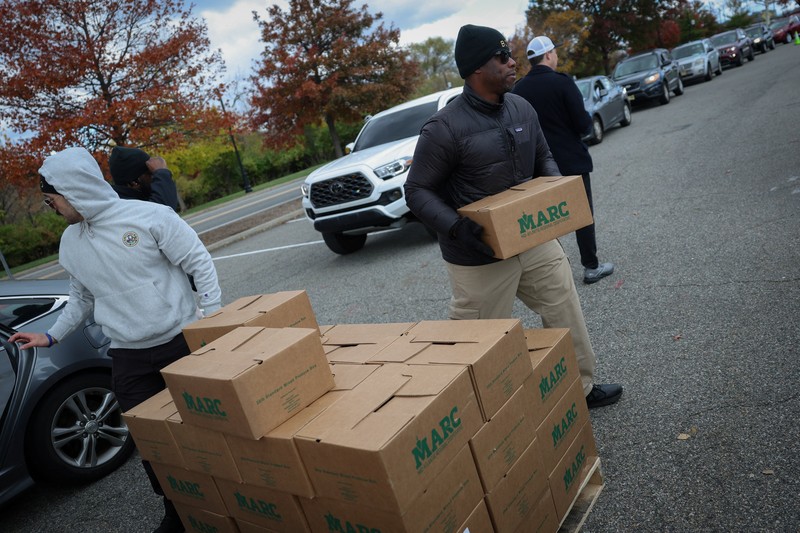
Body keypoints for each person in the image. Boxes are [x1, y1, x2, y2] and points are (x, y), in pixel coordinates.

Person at [403, 24, 622, 409]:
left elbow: (543, 156)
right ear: (476, 71)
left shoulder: (522, 106)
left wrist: (551, 193)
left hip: (531, 237)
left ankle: (581, 388)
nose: (512, 61)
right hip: (477, 255)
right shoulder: (444, 128)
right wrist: (456, 227)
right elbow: (416, 190)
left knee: (563, 304)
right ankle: (479, 416)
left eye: (510, 54)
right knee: (479, 341)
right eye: (501, 57)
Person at [10, 147, 222, 533]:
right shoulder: (70, 243)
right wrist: (51, 335)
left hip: (181, 342)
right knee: (153, 444)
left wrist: (210, 319)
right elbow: (81, 298)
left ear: (73, 190)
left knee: (206, 430)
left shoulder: (149, 216)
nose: (50, 207)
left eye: (51, 198)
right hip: (128, 357)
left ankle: (230, 501)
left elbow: (198, 261)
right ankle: (177, 511)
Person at [512, 36, 615, 285]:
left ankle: (551, 274)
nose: (556, 56)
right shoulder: (562, 82)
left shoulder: (518, 90)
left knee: (545, 222)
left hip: (538, 169)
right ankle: (591, 266)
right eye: (554, 53)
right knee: (582, 215)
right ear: (548, 55)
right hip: (571, 162)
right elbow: (582, 124)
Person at [109, 145, 179, 210]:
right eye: (151, 173)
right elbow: (164, 212)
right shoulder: (125, 208)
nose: (155, 177)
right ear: (134, 183)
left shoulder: (122, 201)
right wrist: (162, 173)